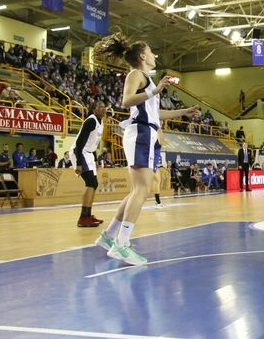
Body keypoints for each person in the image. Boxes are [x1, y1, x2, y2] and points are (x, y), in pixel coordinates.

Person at [93, 32, 200, 266]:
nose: (154, 54)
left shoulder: (147, 80)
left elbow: (155, 113)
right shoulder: (136, 74)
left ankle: (108, 236)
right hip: (141, 133)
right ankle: (122, 245)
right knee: (142, 189)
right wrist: (155, 91)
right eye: (151, 51)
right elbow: (126, 100)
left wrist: (183, 112)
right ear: (143, 55)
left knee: (138, 190)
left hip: (147, 131)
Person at [74, 101, 107, 228]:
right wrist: (78, 162)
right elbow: (79, 142)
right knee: (91, 183)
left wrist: (96, 160)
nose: (103, 109)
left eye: (104, 107)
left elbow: (93, 144)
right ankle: (83, 217)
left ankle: (87, 215)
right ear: (94, 109)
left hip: (88, 153)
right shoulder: (90, 121)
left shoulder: (101, 122)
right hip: (80, 152)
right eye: (100, 107)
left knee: (94, 183)